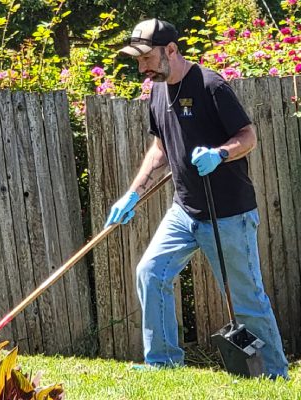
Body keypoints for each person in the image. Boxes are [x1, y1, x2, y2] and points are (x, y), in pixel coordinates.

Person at [104, 18, 288, 379]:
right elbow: (160, 148)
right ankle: (163, 365)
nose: (142, 68)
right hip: (184, 210)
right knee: (151, 272)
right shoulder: (157, 90)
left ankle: (274, 375)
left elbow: (248, 136)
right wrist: (132, 194)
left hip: (228, 214)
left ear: (171, 50)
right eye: (138, 60)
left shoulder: (210, 85)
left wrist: (219, 154)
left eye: (146, 59)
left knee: (246, 298)